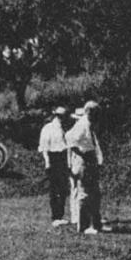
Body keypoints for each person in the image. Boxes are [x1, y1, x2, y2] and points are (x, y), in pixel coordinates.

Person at [65, 100, 104, 235]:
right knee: (85, 193)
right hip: (85, 161)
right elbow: (70, 139)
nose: (98, 116)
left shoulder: (88, 124)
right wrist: (82, 155)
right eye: (95, 113)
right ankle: (84, 226)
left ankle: (96, 224)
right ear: (89, 112)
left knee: (95, 193)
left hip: (90, 159)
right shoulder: (82, 125)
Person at [38, 106, 70, 227]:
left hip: (62, 158)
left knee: (62, 189)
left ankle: (60, 215)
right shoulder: (48, 128)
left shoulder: (63, 129)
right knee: (54, 189)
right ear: (56, 116)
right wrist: (47, 162)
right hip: (53, 158)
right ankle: (55, 216)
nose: (62, 119)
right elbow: (44, 147)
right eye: (60, 116)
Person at [69, 107, 85, 226]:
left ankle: (79, 215)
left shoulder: (81, 131)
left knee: (78, 190)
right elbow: (69, 152)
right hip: (75, 164)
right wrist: (69, 165)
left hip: (79, 164)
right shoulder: (72, 133)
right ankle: (76, 216)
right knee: (76, 189)